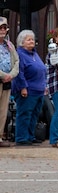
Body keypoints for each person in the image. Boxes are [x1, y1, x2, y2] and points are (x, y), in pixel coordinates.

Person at [13, 29, 47, 146]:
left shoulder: (35, 54)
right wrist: (23, 87)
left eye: (32, 39)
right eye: (28, 40)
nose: (31, 41)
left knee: (34, 114)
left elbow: (42, 69)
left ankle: (30, 136)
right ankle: (21, 137)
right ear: (22, 42)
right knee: (25, 114)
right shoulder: (20, 54)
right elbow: (19, 72)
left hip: (39, 90)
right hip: (27, 90)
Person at [0, 17, 19, 147]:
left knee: (3, 110)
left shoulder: (10, 45)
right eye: (0, 27)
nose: (2, 30)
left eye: (4, 27)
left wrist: (10, 75)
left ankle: (0, 136)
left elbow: (17, 61)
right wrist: (3, 75)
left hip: (6, 81)